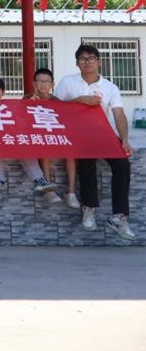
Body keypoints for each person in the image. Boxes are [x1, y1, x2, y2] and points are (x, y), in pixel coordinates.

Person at [54, 44, 135, 240]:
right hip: (78, 135)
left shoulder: (110, 87)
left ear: (99, 62)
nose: (87, 62)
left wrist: (124, 140)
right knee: (86, 163)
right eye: (82, 59)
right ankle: (89, 208)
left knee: (123, 164)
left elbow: (119, 114)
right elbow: (54, 107)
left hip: (105, 135)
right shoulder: (68, 82)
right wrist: (79, 100)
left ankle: (119, 216)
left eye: (91, 58)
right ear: (77, 63)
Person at [0, 76, 57, 196]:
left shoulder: (9, 106)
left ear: (3, 92)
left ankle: (39, 180)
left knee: (25, 146)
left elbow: (21, 123)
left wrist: (30, 104)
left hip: (10, 139)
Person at [24, 68, 71, 206]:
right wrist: (29, 104)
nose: (43, 84)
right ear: (34, 83)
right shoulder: (27, 98)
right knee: (43, 147)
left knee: (70, 152)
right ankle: (47, 188)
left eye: (47, 81)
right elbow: (21, 119)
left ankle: (70, 192)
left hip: (54, 137)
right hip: (36, 137)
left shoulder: (57, 101)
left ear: (52, 84)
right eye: (40, 81)